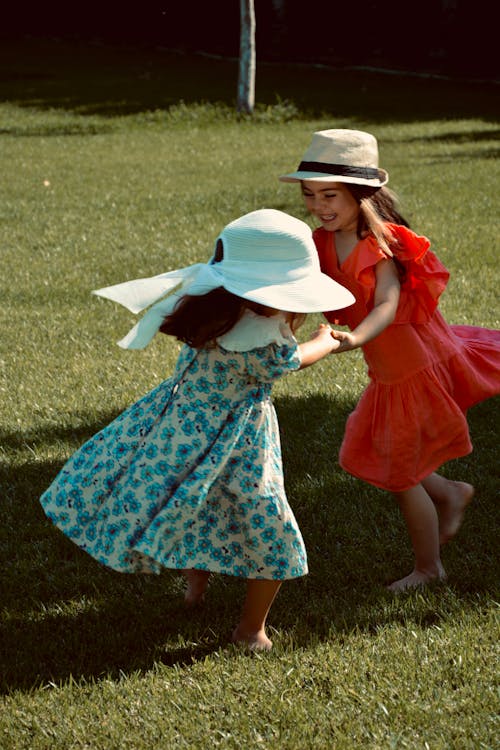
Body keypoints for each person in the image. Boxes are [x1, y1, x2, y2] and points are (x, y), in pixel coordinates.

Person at [39, 208, 355, 650]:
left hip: (177, 430)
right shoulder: (262, 337)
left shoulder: (208, 310)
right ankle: (251, 631)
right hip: (235, 439)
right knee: (265, 523)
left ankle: (195, 591)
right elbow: (293, 360)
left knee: (194, 500)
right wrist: (324, 341)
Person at [280, 129, 500, 592]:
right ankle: (451, 492)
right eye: (310, 194)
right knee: (379, 454)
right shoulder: (321, 242)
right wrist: (285, 328)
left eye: (330, 195)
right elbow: (302, 292)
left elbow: (385, 304)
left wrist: (353, 337)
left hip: (412, 367)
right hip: (389, 371)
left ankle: (429, 568)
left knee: (398, 472)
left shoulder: (379, 245)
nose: (319, 205)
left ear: (361, 194)